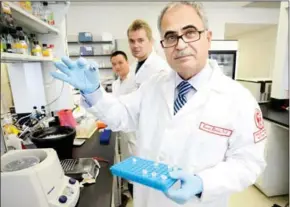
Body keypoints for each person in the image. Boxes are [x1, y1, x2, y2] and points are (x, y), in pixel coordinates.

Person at [51, 2, 267, 207]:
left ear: (208, 38)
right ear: (163, 45)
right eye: (171, 36)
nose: (181, 44)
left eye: (190, 32)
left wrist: (203, 182)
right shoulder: (153, 86)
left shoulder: (238, 99)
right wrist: (93, 92)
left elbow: (249, 163)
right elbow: (121, 114)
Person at [110, 50, 136, 202]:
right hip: (122, 132)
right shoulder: (115, 84)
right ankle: (128, 192)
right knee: (127, 163)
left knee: (136, 164)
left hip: (134, 132)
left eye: (120, 62)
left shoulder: (135, 81)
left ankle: (137, 196)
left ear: (127, 62)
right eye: (114, 64)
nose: (117, 66)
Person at [127, 19, 171, 88]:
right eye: (132, 41)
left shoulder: (160, 69)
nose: (135, 45)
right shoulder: (133, 66)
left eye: (140, 40)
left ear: (151, 41)